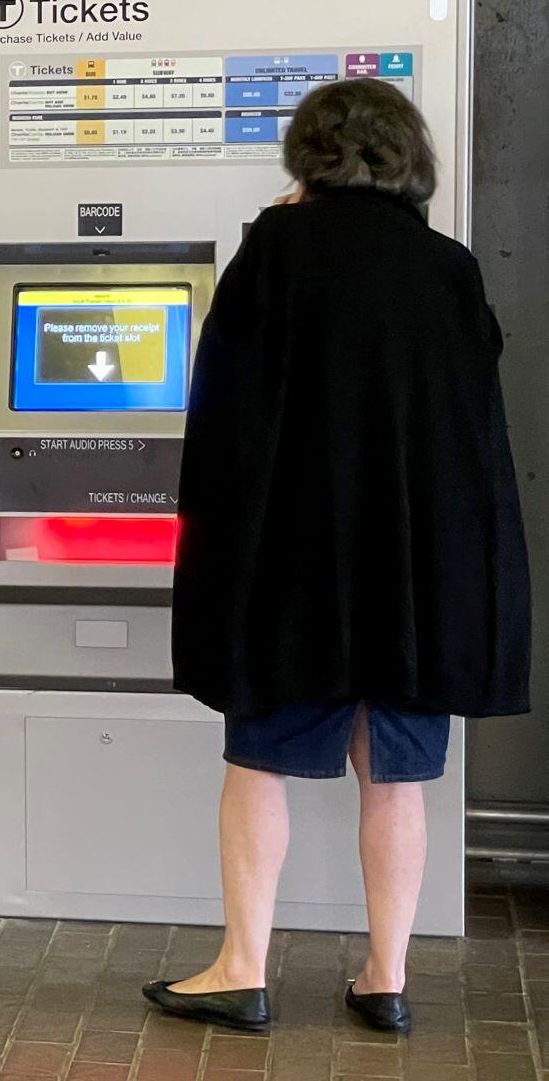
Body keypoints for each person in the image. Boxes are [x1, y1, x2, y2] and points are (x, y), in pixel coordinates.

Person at [145, 78, 530, 1034]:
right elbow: (474, 420)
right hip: (417, 577)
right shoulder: (449, 267)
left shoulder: (274, 252)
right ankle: (386, 978)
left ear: (308, 157)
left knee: (259, 766)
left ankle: (242, 969)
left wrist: (272, 230)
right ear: (410, 156)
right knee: (395, 774)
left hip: (293, 571)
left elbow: (225, 414)